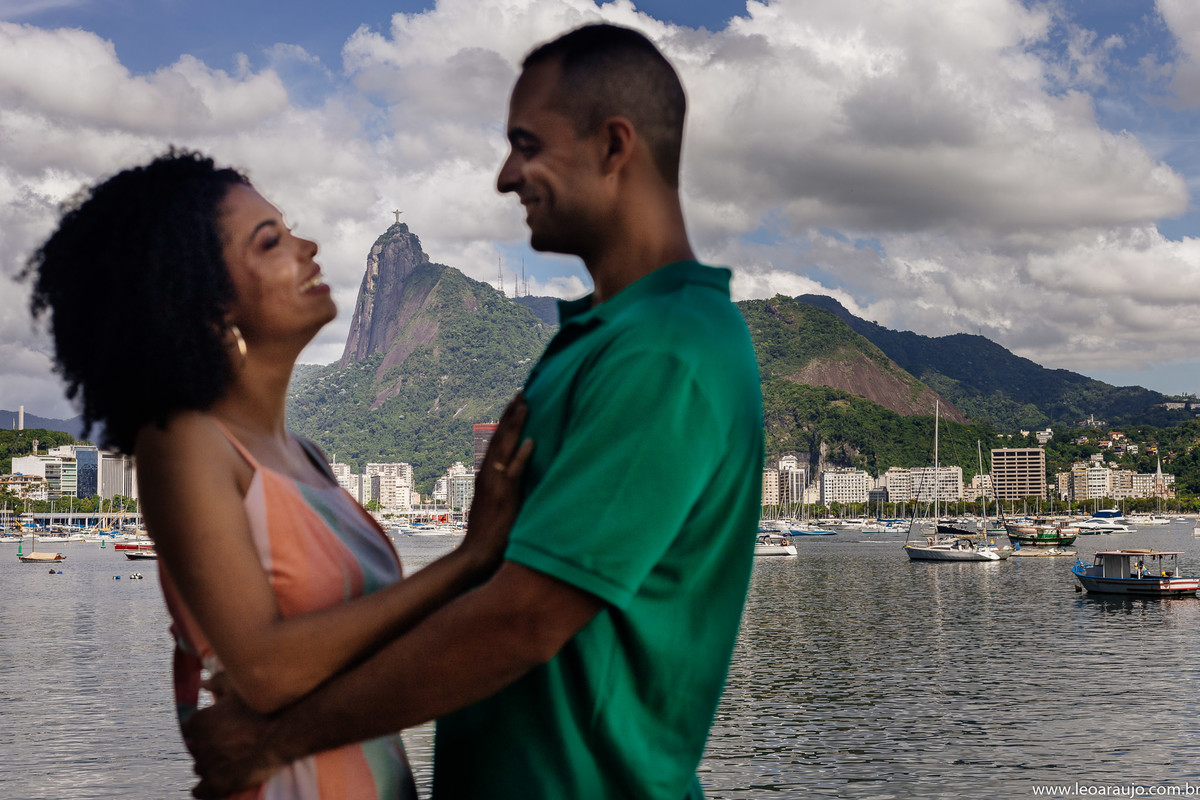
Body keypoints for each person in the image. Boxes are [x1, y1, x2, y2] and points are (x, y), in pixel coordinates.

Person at [184, 22, 764, 799]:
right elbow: (503, 584)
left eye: (527, 144)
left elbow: (525, 617)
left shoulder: (666, 351)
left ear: (614, 145)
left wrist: (274, 742)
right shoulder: (598, 341)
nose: (504, 176)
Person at [23, 149, 532, 799]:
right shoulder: (186, 444)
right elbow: (264, 668)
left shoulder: (310, 455)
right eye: (272, 242)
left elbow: (377, 649)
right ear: (205, 304)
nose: (309, 247)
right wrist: (471, 558)